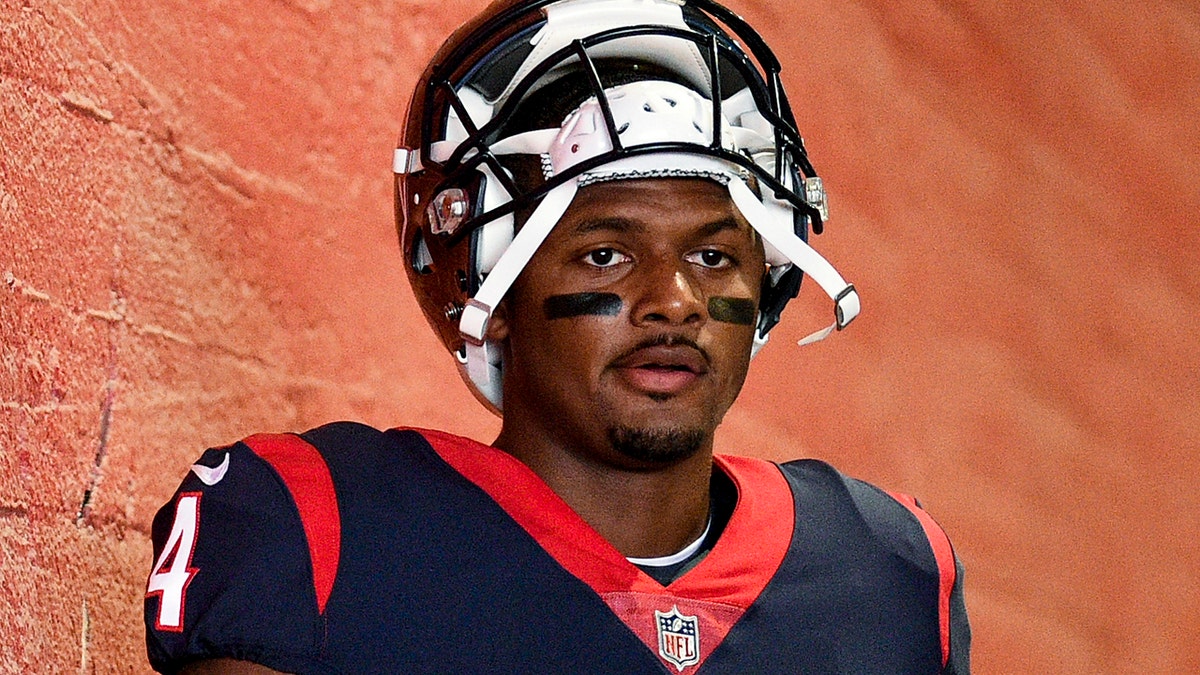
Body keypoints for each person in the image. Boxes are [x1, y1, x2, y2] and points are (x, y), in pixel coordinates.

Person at [144, 0, 971, 672]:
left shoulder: (889, 574)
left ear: (770, 281)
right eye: (606, 254)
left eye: (714, 254)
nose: (674, 301)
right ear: (493, 287)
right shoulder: (321, 528)